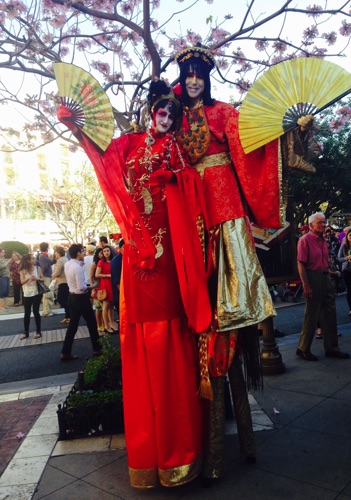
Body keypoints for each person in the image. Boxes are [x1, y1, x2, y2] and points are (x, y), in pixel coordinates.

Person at [57, 80, 211, 488]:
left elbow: (196, 191)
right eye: (161, 112)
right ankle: (149, 455)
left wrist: (175, 181)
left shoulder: (177, 152)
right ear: (149, 113)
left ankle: (179, 451)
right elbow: (103, 163)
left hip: (167, 261)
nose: (165, 119)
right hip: (138, 258)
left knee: (169, 339)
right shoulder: (126, 145)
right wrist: (77, 128)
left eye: (172, 115)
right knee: (140, 343)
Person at [175, 44, 301, 483]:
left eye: (200, 74)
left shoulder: (225, 112)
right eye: (188, 73)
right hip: (189, 210)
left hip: (225, 207)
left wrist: (289, 129)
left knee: (230, 298)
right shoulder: (171, 114)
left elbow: (254, 143)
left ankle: (235, 441)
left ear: (206, 79)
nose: (194, 80)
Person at [296, 212, 350, 360]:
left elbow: (325, 262)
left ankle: (332, 347)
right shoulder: (304, 240)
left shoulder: (323, 241)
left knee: (330, 313)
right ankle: (303, 348)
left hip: (325, 276)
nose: (323, 225)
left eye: (324, 222)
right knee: (312, 314)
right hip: (312, 277)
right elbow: (301, 264)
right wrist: (306, 285)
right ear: (312, 225)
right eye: (320, 222)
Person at [60, 243, 102, 361]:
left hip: (72, 297)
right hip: (81, 298)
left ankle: (65, 352)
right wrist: (93, 285)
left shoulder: (68, 264)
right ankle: (97, 349)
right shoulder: (77, 268)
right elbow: (82, 288)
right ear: (78, 253)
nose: (84, 253)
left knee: (73, 325)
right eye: (82, 251)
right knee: (92, 323)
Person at [19, 253, 44, 339]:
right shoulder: (22, 270)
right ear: (28, 261)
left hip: (36, 292)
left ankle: (38, 331)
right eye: (32, 258)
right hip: (26, 292)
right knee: (27, 313)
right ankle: (26, 332)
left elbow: (43, 279)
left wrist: (37, 279)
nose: (35, 260)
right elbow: (21, 282)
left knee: (36, 311)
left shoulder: (38, 268)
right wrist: (29, 278)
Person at [95, 245, 117, 333]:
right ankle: (106, 325)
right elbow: (97, 274)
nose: (106, 253)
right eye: (104, 251)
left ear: (110, 251)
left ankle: (112, 323)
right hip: (105, 285)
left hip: (112, 284)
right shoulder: (101, 262)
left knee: (111, 306)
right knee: (105, 306)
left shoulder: (113, 261)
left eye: (108, 251)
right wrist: (108, 276)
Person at [52, 245, 70, 324]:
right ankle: (68, 316)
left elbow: (56, 273)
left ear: (58, 253)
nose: (55, 254)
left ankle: (70, 314)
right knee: (66, 299)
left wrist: (53, 274)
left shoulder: (59, 261)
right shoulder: (66, 259)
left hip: (62, 282)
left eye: (55, 252)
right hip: (67, 281)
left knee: (61, 299)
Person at [90, 247, 104, 333]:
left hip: (105, 286)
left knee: (105, 307)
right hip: (97, 287)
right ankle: (99, 324)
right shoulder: (94, 264)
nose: (102, 254)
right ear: (97, 254)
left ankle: (105, 323)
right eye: (101, 253)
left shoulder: (106, 262)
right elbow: (91, 278)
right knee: (99, 308)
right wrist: (93, 289)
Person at [38, 242, 54, 317]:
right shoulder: (43, 256)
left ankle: (47, 310)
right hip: (46, 276)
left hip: (47, 275)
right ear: (47, 248)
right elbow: (44, 267)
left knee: (47, 294)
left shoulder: (43, 256)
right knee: (47, 294)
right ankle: (46, 311)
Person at [110, 239, 124, 322]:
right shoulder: (116, 260)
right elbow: (117, 281)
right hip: (120, 295)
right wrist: (123, 295)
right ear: (120, 248)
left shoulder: (129, 258)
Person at [0, 247, 12, 314]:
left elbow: (7, 266)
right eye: (3, 252)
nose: (4, 253)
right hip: (2, 277)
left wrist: (9, 262)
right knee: (2, 292)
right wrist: (8, 262)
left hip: (7, 276)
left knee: (6, 292)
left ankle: (5, 305)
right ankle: (1, 307)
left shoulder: (4, 259)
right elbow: (2, 266)